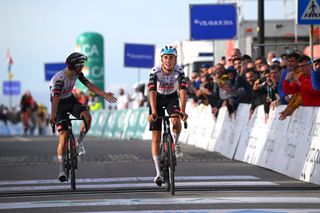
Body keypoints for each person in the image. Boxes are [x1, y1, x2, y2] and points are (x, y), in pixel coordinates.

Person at [49, 52, 117, 182]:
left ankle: (79, 142)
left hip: (70, 100)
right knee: (63, 138)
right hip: (58, 105)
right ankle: (62, 169)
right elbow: (55, 98)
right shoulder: (59, 79)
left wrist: (104, 94)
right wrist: (53, 115)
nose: (82, 67)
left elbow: (89, 85)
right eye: (80, 65)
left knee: (87, 117)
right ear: (73, 66)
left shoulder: (77, 73)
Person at [147, 45, 188, 186]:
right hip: (156, 99)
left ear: (175, 59)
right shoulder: (155, 71)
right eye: (166, 57)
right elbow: (151, 92)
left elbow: (182, 91)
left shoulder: (179, 71)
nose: (168, 60)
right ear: (162, 59)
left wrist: (182, 109)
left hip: (171, 98)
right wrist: (153, 111)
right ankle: (158, 173)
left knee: (176, 122)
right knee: (156, 138)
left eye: (171, 57)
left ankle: (175, 145)